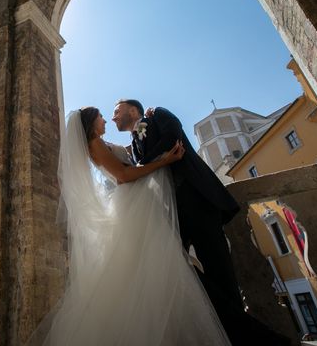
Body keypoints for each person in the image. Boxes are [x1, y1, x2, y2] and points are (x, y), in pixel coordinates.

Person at [27, 107, 230, 346]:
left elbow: (134, 159)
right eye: (102, 116)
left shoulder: (101, 143)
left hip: (137, 203)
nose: (106, 119)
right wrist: (164, 160)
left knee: (152, 270)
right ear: (92, 123)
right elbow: (123, 174)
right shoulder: (95, 145)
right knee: (152, 270)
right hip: (133, 205)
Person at [112, 99, 291, 345]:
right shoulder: (134, 142)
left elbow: (172, 139)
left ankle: (246, 338)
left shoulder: (157, 115)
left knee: (219, 269)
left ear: (133, 111)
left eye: (116, 111)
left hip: (196, 199)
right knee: (178, 274)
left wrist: (146, 163)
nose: (113, 117)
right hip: (170, 212)